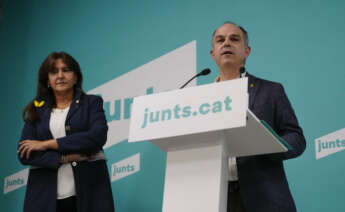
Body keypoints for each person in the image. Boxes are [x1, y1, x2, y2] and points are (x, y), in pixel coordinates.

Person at [210, 22, 306, 212]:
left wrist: (269, 144)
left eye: (234, 39)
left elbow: (296, 138)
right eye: (220, 40)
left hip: (264, 199)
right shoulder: (197, 100)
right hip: (213, 198)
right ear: (213, 53)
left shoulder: (271, 91)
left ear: (247, 51)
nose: (226, 43)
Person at [17, 52, 115, 212]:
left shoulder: (91, 103)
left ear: (76, 77)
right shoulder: (36, 109)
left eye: (66, 70)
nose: (60, 76)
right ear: (47, 80)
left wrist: (47, 144)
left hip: (89, 191)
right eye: (54, 72)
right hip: (44, 196)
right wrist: (64, 158)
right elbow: (24, 153)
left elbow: (97, 137)